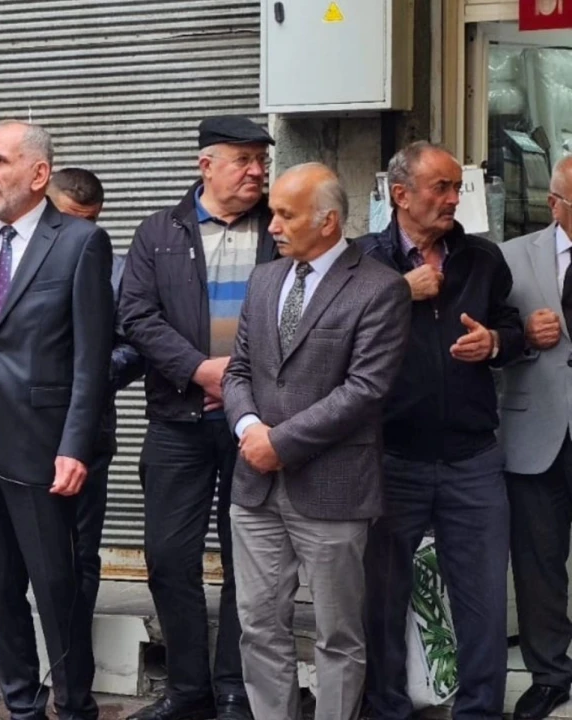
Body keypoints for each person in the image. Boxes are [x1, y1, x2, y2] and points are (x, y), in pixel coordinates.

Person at [0, 120, 113, 720]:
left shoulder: (80, 242)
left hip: (42, 446)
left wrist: (75, 446)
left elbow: (91, 359)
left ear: (38, 174)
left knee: (57, 588)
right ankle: (23, 705)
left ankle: (75, 706)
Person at [223, 162, 411, 720]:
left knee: (338, 634)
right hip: (255, 487)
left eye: (286, 215)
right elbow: (238, 370)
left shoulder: (379, 288)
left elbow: (365, 390)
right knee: (259, 625)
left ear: (328, 221)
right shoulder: (264, 280)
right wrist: (248, 428)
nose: (272, 226)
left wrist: (280, 442)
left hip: (334, 489)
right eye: (272, 213)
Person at [356, 141, 524, 720]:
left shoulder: (483, 259)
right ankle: (387, 709)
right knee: (383, 600)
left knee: (483, 601)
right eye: (441, 187)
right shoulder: (362, 261)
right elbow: (335, 332)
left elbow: (511, 328)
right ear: (401, 195)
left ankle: (480, 711)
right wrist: (401, 291)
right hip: (390, 459)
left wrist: (496, 342)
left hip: (471, 459)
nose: (454, 198)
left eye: (457, 187)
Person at [118, 115, 277, 720]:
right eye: (244, 159)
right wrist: (199, 369)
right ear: (205, 165)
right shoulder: (159, 231)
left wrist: (241, 385)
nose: (257, 171)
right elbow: (136, 315)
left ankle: (234, 687)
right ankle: (187, 690)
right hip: (177, 420)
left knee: (249, 560)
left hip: (256, 425)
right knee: (168, 557)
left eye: (262, 160)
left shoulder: (279, 228)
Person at [499, 154, 572, 720]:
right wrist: (522, 336)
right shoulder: (510, 257)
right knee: (538, 562)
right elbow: (487, 342)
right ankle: (549, 674)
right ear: (554, 204)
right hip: (536, 432)